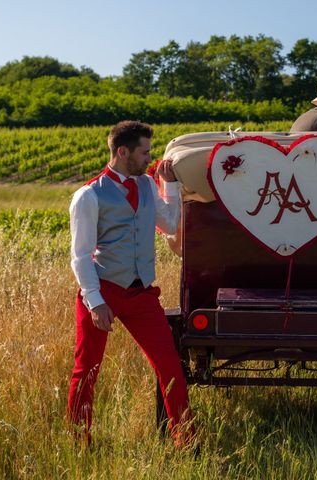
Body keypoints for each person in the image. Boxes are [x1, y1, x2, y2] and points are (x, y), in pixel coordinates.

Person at [67, 120, 193, 446]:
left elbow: (169, 223)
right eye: (144, 152)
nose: (148, 158)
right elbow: (80, 256)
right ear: (123, 152)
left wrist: (171, 185)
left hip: (141, 293)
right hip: (102, 289)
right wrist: (95, 302)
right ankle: (81, 443)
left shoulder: (149, 185)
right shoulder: (88, 196)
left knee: (170, 366)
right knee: (87, 371)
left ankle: (185, 440)